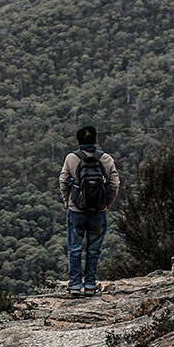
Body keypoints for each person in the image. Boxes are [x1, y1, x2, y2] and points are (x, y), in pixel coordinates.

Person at [58, 125, 119, 296]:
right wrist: (106, 203)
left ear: (78, 142)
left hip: (76, 210)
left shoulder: (71, 158)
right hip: (98, 212)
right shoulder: (106, 159)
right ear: (96, 140)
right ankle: (90, 285)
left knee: (75, 248)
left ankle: (75, 285)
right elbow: (115, 185)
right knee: (94, 249)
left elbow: (63, 182)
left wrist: (67, 202)